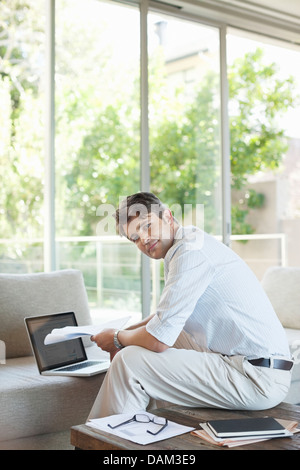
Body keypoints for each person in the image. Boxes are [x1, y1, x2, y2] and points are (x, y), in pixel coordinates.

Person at [89, 192, 293, 419]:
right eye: (135, 238)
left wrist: (117, 337)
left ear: (167, 216)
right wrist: (123, 335)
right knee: (151, 339)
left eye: (147, 226)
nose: (144, 239)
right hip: (248, 366)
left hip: (257, 377)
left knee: (129, 361)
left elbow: (158, 340)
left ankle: (103, 442)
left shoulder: (190, 253)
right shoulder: (188, 243)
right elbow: (164, 319)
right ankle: (154, 429)